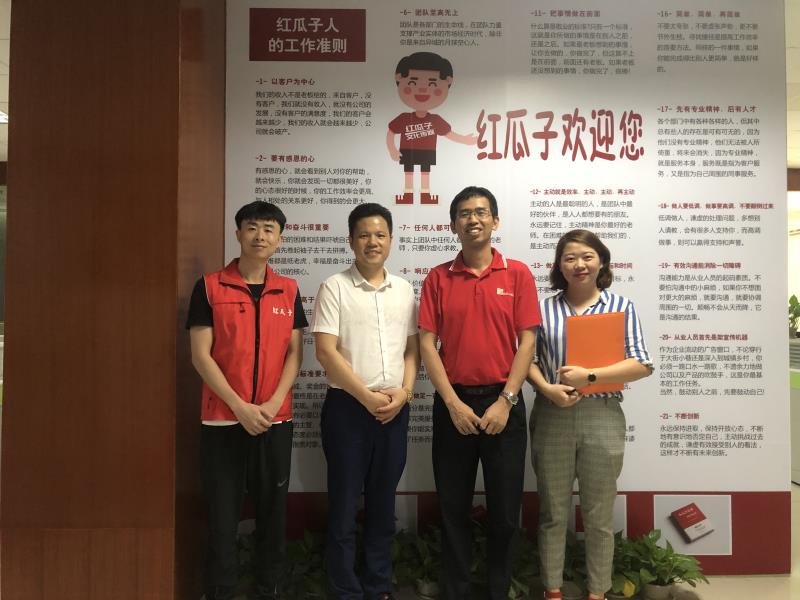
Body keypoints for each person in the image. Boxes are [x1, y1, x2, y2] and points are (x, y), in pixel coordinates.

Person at [418, 186, 541, 599]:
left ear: (495, 220)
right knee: (453, 508)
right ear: (453, 225)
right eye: (464, 214)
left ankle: (498, 589)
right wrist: (452, 403)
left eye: (481, 212)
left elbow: (527, 341)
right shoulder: (438, 277)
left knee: (505, 511)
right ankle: (456, 590)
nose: (473, 219)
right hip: (453, 404)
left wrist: (506, 401)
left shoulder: (517, 273)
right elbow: (427, 344)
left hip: (503, 403)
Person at [187, 201, 307, 600]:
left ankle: (270, 587)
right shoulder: (209, 287)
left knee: (273, 512)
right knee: (222, 515)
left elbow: (295, 354)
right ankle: (221, 590)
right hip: (223, 420)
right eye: (252, 227)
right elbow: (200, 355)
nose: (260, 236)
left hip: (275, 420)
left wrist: (272, 405)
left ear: (280, 239)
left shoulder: (288, 289)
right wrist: (239, 407)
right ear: (238, 234)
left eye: (269, 229)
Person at [527, 229, 653, 600]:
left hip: (602, 415)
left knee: (598, 515)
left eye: (587, 256)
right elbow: (526, 360)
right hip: (553, 413)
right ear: (559, 265)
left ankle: (597, 592)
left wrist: (591, 376)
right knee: (553, 512)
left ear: (601, 262)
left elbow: (641, 364)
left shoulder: (621, 307)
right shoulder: (542, 308)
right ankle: (552, 590)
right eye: (569, 258)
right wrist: (546, 388)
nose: (579, 265)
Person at [311, 202, 420, 600]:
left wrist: (404, 393)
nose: (372, 242)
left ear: (390, 240)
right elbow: (326, 352)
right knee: (343, 507)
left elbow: (413, 351)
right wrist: (367, 398)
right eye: (364, 235)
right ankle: (345, 590)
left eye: (380, 235)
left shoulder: (404, 289)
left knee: (382, 504)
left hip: (395, 411)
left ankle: (378, 586)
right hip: (348, 411)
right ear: (351, 241)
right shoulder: (334, 287)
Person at [386, 51, 477, 205]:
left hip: (427, 151)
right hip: (407, 150)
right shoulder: (404, 118)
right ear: (399, 79)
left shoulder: (435, 120)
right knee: (409, 172)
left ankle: (425, 194)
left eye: (432, 84)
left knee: (425, 172)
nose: (422, 90)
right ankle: (408, 194)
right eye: (413, 83)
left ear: (447, 82)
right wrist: (392, 150)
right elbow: (391, 133)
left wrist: (465, 140)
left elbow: (449, 133)